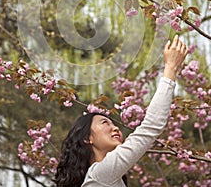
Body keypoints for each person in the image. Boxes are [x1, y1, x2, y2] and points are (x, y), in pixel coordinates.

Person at [54, 35, 188, 187]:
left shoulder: (104, 178)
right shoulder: (100, 174)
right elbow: (151, 126)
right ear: (87, 138)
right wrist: (170, 68)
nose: (115, 128)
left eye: (112, 123)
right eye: (105, 122)